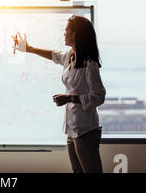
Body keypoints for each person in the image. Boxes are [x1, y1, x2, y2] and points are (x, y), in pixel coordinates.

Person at [12, 15, 106, 173]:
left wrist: (70, 98)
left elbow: (99, 96)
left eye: (67, 30)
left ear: (76, 34)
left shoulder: (90, 64)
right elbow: (55, 55)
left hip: (86, 130)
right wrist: (30, 49)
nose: (64, 33)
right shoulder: (71, 56)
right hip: (72, 128)